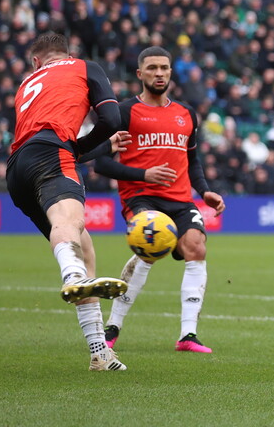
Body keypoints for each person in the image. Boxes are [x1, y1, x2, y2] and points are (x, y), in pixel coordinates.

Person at [85, 46, 226, 353]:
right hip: (141, 196)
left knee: (196, 246)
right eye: (152, 68)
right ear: (140, 74)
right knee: (150, 251)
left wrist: (204, 192)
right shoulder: (123, 112)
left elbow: (193, 160)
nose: (159, 73)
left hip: (179, 199)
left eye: (164, 68)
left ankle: (188, 335)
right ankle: (113, 327)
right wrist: (143, 175)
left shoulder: (186, 114)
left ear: (171, 73)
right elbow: (102, 164)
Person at [6, 31, 130, 371]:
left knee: (82, 246)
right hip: (50, 154)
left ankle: (98, 352)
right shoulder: (83, 67)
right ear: (67, 52)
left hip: (17, 168)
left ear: (36, 61)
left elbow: (54, 140)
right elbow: (111, 119)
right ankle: (71, 276)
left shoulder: (27, 85)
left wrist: (96, 147)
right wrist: (97, 141)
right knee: (70, 224)